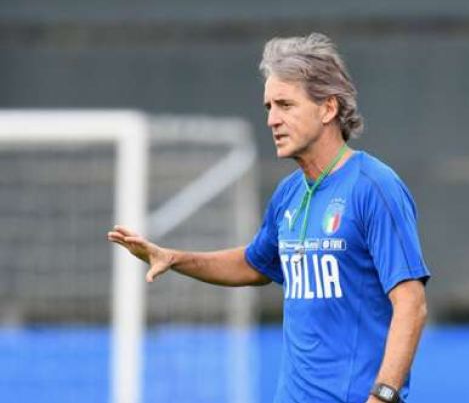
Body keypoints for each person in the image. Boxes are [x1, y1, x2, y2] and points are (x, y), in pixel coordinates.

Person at [107, 33, 430, 403]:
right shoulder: (289, 194)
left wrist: (383, 397)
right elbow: (254, 264)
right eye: (268, 107)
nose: (272, 120)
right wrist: (175, 258)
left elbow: (412, 304)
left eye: (285, 105)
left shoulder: (374, 187)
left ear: (328, 108)